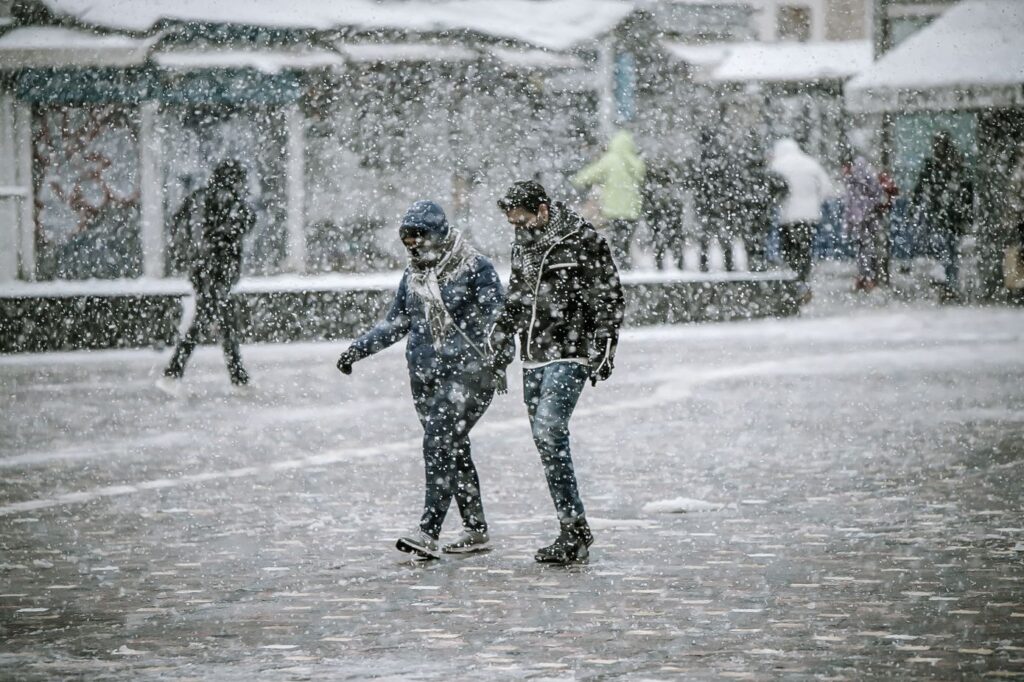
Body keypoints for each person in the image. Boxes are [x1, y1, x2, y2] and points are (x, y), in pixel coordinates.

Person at [335, 201, 504, 560]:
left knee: (438, 442)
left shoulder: (475, 268)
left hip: (469, 375)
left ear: (439, 233)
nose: (412, 243)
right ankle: (476, 529)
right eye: (406, 237)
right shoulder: (414, 276)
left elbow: (498, 320)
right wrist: (357, 350)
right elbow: (396, 322)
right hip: (426, 377)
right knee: (453, 448)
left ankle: (428, 531)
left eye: (419, 235)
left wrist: (496, 356)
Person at [489, 180, 625, 564]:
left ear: (543, 210)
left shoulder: (582, 240)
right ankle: (574, 527)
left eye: (523, 221)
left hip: (571, 350)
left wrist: (605, 345)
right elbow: (517, 297)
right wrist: (501, 336)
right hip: (532, 354)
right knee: (544, 442)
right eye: (513, 224)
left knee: (549, 430)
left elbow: (609, 295)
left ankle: (573, 528)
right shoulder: (522, 245)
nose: (519, 229)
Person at [157, 160, 254, 393]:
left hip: (201, 270)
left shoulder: (198, 198)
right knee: (213, 319)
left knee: (218, 319)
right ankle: (175, 372)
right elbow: (239, 226)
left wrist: (190, 258)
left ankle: (236, 376)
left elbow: (180, 227)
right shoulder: (228, 201)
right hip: (218, 270)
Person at [769, 138, 835, 303]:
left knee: (789, 251)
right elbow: (827, 188)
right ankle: (804, 282)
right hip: (809, 216)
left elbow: (770, 191)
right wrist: (814, 202)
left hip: (787, 216)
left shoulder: (777, 165)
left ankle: (793, 283)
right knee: (804, 251)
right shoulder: (811, 163)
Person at [912, 131, 973, 303]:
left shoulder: (949, 166)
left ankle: (948, 285)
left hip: (948, 216)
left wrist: (965, 213)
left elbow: (966, 191)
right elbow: (921, 187)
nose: (936, 147)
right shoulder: (938, 166)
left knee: (948, 251)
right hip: (943, 215)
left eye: (938, 144)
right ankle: (948, 285)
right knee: (947, 251)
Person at [571, 129, 646, 270]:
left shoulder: (610, 160)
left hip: (614, 208)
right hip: (632, 209)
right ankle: (626, 265)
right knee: (626, 240)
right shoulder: (637, 162)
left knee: (617, 240)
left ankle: (622, 267)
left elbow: (590, 174)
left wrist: (577, 180)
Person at [842, 152, 886, 292]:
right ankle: (867, 277)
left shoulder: (855, 179)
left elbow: (850, 202)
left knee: (864, 248)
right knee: (866, 248)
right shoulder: (864, 176)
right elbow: (877, 195)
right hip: (867, 217)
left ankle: (866, 277)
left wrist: (851, 220)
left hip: (861, 218)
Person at [642, 159, 687, 271]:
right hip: (668, 216)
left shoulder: (656, 190)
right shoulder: (673, 190)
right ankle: (677, 264)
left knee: (660, 240)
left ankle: (661, 264)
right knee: (672, 239)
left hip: (661, 216)